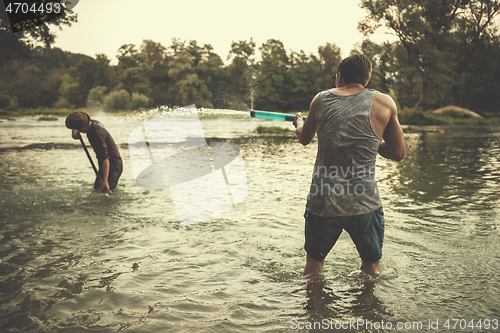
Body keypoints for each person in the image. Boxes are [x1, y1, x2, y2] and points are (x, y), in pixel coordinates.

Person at [293, 54, 406, 279]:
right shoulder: (385, 103)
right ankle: (365, 311)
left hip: (323, 198)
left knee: (313, 269)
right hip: (363, 200)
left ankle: (315, 313)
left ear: (340, 77)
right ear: (366, 78)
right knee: (371, 269)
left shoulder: (320, 99)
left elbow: (304, 138)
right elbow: (398, 153)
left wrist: (299, 123)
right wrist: (371, 142)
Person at [65, 112, 123, 193]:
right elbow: (77, 128)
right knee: (97, 191)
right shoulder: (91, 123)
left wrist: (105, 180)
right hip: (104, 164)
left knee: (106, 193)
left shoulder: (97, 134)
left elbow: (105, 158)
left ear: (82, 128)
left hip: (113, 165)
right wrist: (74, 131)